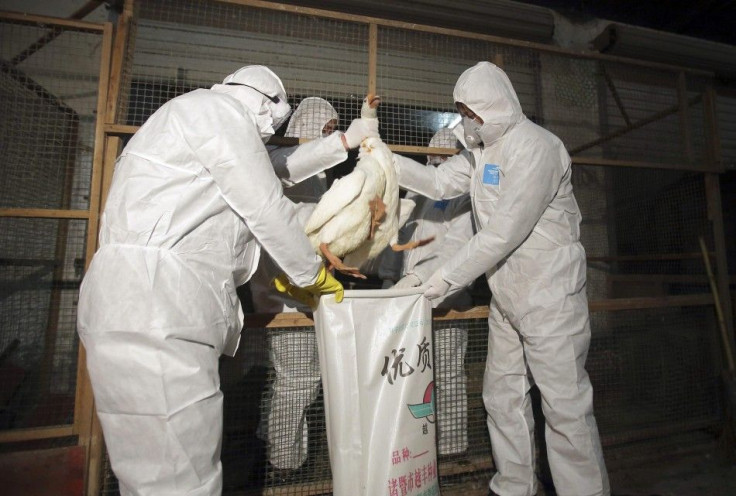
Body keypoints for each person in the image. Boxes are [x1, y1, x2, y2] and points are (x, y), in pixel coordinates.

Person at [76, 65, 346, 496]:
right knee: (181, 478)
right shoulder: (220, 115)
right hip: (160, 309)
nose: (274, 131)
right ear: (268, 103)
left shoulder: (190, 116)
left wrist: (342, 143)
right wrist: (311, 274)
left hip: (126, 303)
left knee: (146, 471)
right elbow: (266, 204)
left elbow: (272, 166)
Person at [393, 62, 609, 496]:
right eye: (461, 111)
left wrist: (437, 282)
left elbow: (502, 232)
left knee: (564, 407)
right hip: (507, 296)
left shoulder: (536, 147)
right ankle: (513, 486)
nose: (466, 119)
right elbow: (436, 182)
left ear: (492, 104)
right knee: (501, 396)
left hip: (549, 296)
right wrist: (384, 160)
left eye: (469, 110)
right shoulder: (481, 153)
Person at [248, 96, 368, 473]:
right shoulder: (285, 173)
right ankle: (284, 465)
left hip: (298, 294)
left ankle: (268, 444)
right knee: (299, 379)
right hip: (286, 296)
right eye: (326, 130)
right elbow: (290, 232)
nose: (329, 136)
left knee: (285, 379)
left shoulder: (315, 179)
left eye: (334, 130)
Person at [388, 127, 474, 457]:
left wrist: (418, 279)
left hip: (447, 302)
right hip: (407, 304)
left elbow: (457, 248)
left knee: (447, 374)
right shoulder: (417, 193)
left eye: (444, 155)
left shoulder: (464, 196)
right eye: (433, 154)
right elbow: (398, 241)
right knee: (411, 378)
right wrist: (389, 279)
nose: (436, 160)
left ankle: (452, 448)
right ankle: (416, 449)